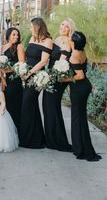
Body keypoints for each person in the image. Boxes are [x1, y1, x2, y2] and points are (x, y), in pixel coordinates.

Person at [61, 31, 102, 161]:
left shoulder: (74, 56)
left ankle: (80, 150)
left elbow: (80, 75)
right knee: (80, 118)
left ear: (73, 42)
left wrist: (64, 79)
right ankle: (83, 147)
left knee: (76, 118)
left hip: (79, 88)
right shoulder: (82, 52)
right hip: (85, 87)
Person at [42, 18, 75, 151]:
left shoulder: (68, 42)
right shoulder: (56, 39)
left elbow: (62, 62)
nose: (63, 27)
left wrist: (51, 76)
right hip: (50, 76)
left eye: (66, 26)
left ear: (70, 29)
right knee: (48, 106)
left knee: (52, 107)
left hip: (58, 78)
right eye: (62, 24)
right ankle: (51, 138)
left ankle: (58, 141)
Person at [20, 17, 53, 148]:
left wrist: (29, 73)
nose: (30, 28)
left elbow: (44, 61)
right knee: (30, 105)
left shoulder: (48, 41)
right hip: (27, 73)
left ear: (37, 26)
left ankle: (30, 139)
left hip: (38, 76)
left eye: (31, 26)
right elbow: (27, 56)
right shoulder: (32, 39)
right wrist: (23, 70)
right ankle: (34, 137)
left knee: (28, 103)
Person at [1, 27, 25, 132]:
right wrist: (2, 78)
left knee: (14, 105)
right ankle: (8, 131)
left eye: (17, 35)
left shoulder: (19, 47)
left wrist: (8, 70)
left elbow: (21, 64)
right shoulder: (2, 47)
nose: (16, 37)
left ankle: (16, 130)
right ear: (8, 35)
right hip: (4, 80)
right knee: (6, 104)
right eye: (13, 34)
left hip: (14, 79)